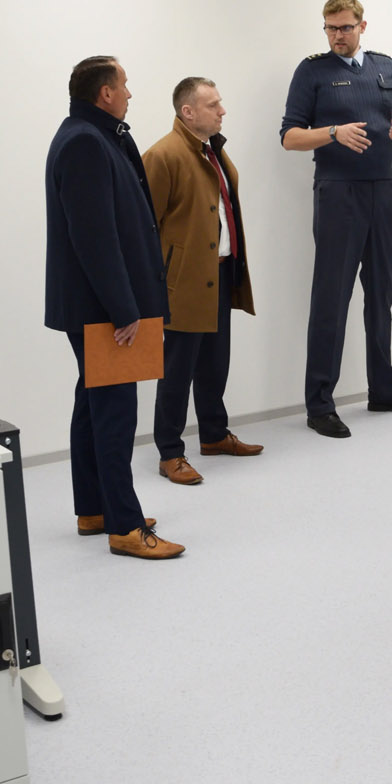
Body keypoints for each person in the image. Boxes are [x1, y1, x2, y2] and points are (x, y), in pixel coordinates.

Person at [44, 55, 184, 559]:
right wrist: (124, 310)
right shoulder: (85, 141)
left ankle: (95, 508)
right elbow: (94, 237)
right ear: (105, 92)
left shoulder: (96, 135)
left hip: (97, 303)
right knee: (115, 415)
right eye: (124, 85)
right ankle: (125, 527)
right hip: (104, 309)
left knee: (93, 406)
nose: (129, 93)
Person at [280, 0, 392, 438]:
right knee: (332, 298)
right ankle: (319, 404)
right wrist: (332, 133)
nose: (337, 36)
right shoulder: (312, 71)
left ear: (362, 26)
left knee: (381, 294)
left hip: (382, 190)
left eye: (345, 28)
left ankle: (384, 389)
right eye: (330, 28)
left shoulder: (385, 66)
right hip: (338, 194)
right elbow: (289, 137)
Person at [141, 77, 263, 485]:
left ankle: (213, 435)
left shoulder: (213, 150)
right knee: (177, 370)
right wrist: (156, 282)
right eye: (213, 105)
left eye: (220, 103)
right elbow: (144, 227)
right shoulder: (163, 155)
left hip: (220, 272)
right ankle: (170, 453)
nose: (222, 111)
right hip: (183, 281)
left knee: (214, 362)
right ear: (188, 112)